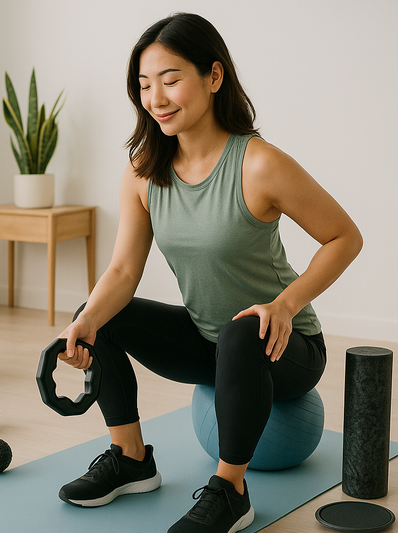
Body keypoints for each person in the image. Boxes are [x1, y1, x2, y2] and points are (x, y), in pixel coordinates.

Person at [55, 12, 363, 533]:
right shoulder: (143, 172)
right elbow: (124, 270)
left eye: (171, 80)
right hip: (209, 342)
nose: (157, 98)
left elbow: (344, 238)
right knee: (96, 312)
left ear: (213, 77)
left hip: (285, 348)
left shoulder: (258, 164)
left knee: (245, 330)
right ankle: (130, 459)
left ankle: (230, 490)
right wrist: (82, 324)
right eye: (145, 85)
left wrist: (285, 305)